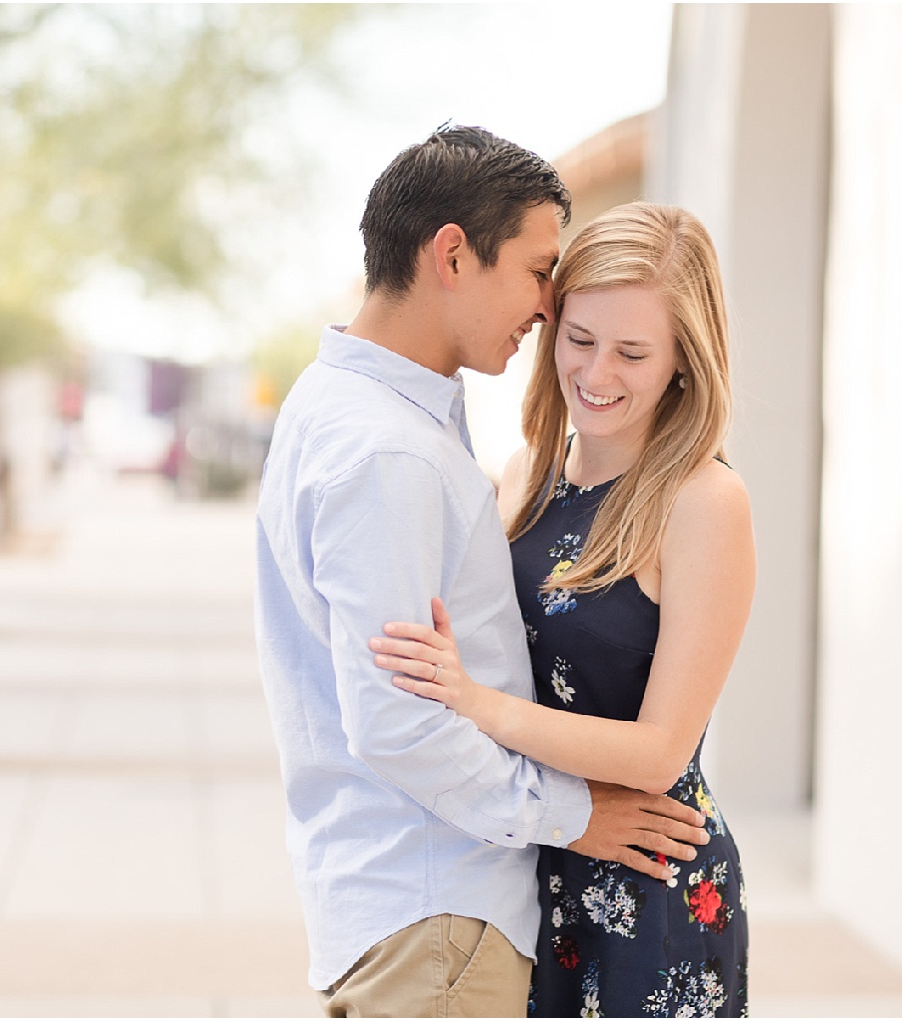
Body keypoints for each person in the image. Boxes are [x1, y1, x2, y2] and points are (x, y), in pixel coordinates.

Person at [255, 129, 711, 1018]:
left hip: (434, 913)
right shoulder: (392, 451)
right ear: (454, 254)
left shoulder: (346, 407)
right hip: (437, 915)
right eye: (539, 270)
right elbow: (400, 722)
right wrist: (575, 816)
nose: (548, 305)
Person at [368, 202, 756, 1017]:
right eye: (579, 340)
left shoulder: (705, 503)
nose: (597, 373)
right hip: (533, 861)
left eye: (633, 352)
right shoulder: (525, 474)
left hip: (649, 885)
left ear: (686, 357)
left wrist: (476, 703)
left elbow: (657, 753)